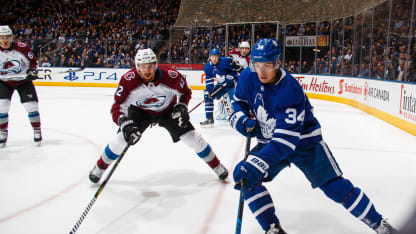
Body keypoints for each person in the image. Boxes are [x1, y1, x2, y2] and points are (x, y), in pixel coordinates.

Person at [229, 38, 396, 234]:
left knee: (335, 187)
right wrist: (241, 120)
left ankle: (379, 224)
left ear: (278, 63)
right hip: (270, 142)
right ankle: (273, 228)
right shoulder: (248, 77)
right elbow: (238, 104)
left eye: (268, 65)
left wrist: (255, 163)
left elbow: (285, 142)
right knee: (245, 177)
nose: (262, 71)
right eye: (257, 65)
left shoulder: (289, 89)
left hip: (304, 143)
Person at [89, 48, 228, 183]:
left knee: (194, 138)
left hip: (168, 110)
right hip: (139, 112)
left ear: (155, 65)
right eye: (143, 67)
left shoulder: (171, 75)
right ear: (137, 67)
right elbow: (117, 106)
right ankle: (99, 167)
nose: (147, 70)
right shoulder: (128, 80)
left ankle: (216, 166)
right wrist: (124, 122)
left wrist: (182, 106)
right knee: (120, 140)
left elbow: (185, 92)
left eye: (150, 66)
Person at [0, 25, 42, 147]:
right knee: (2, 107)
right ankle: (2, 131)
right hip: (4, 82)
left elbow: (33, 63)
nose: (5, 40)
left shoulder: (22, 48)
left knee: (31, 106)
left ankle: (37, 130)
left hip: (23, 81)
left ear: (11, 36)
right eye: (2, 37)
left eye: (7, 37)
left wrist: (32, 72)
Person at [200, 48, 237, 127]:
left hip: (231, 84)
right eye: (212, 57)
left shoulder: (225, 61)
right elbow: (209, 82)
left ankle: (239, 118)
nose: (214, 59)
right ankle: (209, 119)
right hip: (221, 85)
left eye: (216, 57)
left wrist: (231, 77)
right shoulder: (207, 67)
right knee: (208, 97)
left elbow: (235, 71)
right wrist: (209, 92)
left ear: (219, 57)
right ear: (210, 57)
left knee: (234, 99)